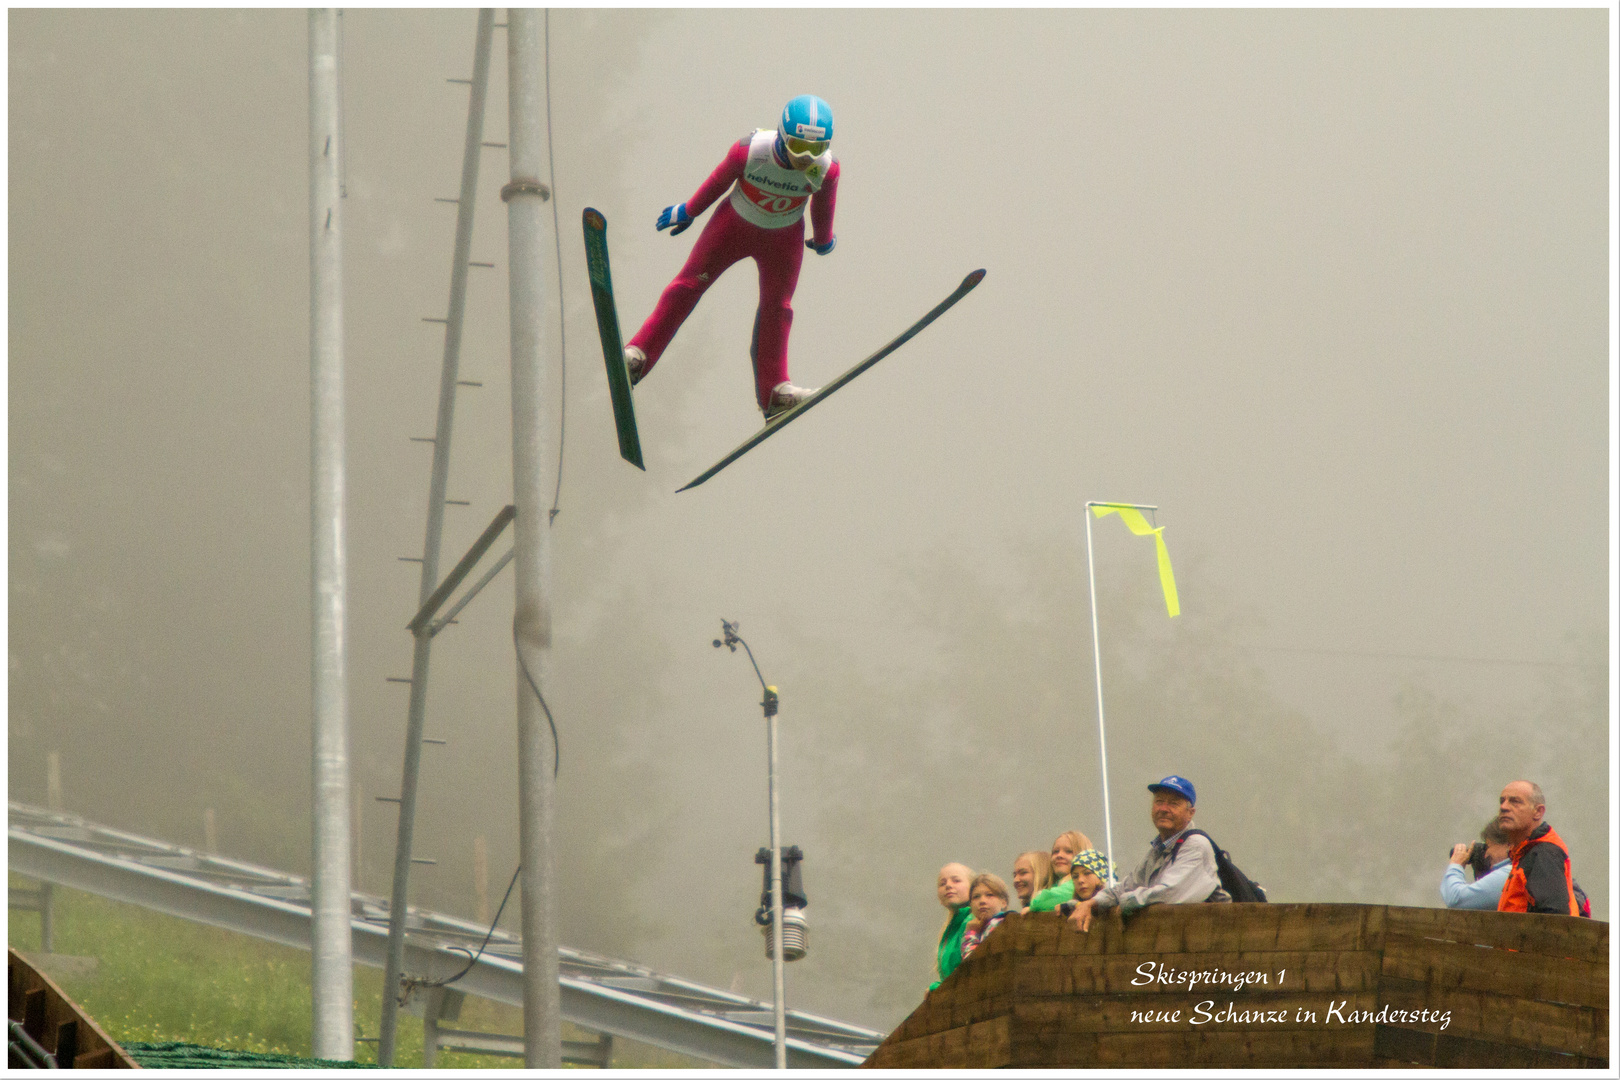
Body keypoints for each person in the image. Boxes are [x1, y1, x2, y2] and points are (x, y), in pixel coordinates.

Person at [623, 94, 840, 421]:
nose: (805, 157)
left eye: (816, 148)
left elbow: (822, 206)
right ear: (781, 136)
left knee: (778, 308)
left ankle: (775, 392)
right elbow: (719, 180)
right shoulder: (751, 151)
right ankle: (637, 356)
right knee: (687, 287)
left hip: (784, 238)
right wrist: (688, 210)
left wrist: (823, 239)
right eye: (798, 146)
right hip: (733, 226)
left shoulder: (826, 169)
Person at [1067, 775, 1228, 932]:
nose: (1164, 809)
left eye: (1173, 803)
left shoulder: (1196, 845)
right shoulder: (1158, 849)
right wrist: (1091, 903)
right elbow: (1124, 888)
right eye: (1159, 802)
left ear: (1190, 813)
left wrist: (1124, 903)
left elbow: (1169, 894)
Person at [1495, 780, 1579, 916]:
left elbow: (1555, 918)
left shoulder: (1543, 853)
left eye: (1515, 801)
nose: (1504, 807)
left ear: (1538, 812)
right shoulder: (1524, 852)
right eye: (1502, 801)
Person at [1441, 818, 1513, 910]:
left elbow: (1455, 899)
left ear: (1508, 844)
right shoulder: (1524, 867)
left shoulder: (1509, 875)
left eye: (1488, 846)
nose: (1486, 854)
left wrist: (1456, 865)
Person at [1027, 830, 1093, 912]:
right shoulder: (1057, 885)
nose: (1059, 855)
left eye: (1068, 851)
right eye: (1055, 852)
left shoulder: (1077, 883)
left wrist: (1033, 905)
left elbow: (1041, 901)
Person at [930, 863, 973, 990]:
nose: (948, 885)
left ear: (973, 888)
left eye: (956, 880)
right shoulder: (949, 931)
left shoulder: (975, 921)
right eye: (942, 883)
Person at [960, 873, 1011, 959]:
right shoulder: (982, 928)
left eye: (989, 895)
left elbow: (974, 963)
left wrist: (971, 933)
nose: (982, 901)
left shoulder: (1000, 925)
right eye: (976, 897)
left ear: (1003, 902)